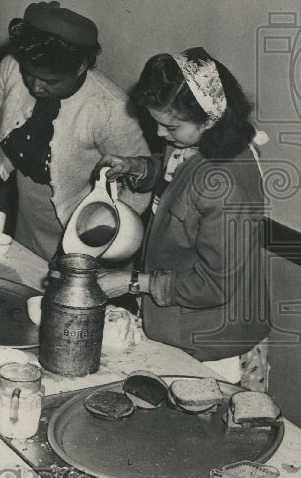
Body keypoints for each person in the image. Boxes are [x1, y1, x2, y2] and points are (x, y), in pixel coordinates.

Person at [95, 49, 271, 390]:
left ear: (210, 117)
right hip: (187, 328)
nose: (160, 133)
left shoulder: (226, 185)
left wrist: (134, 283)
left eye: (170, 125)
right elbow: (177, 177)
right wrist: (136, 167)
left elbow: (213, 285)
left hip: (216, 345)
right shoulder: (199, 142)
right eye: (157, 122)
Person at [0, 2, 151, 261]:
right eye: (29, 74)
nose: (36, 87)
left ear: (81, 67)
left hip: (85, 234)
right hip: (28, 222)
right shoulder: (11, 67)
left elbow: (141, 184)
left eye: (50, 81)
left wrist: (100, 236)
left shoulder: (110, 109)